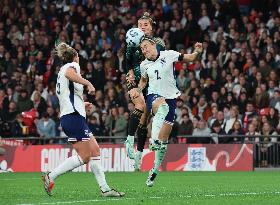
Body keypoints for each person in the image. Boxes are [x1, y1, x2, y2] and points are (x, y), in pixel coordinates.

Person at [42, 43, 124, 197]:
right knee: (85, 156)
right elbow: (70, 74)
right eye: (78, 57)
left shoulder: (62, 71)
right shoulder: (71, 66)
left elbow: (67, 94)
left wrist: (81, 103)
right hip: (72, 118)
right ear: (75, 57)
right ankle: (50, 176)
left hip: (72, 116)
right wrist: (88, 83)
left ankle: (105, 189)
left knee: (95, 150)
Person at [130, 36, 202, 186]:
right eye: (142, 49)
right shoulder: (144, 65)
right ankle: (153, 139)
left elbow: (190, 58)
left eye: (145, 47)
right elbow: (143, 80)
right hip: (154, 96)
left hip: (171, 98)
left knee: (163, 142)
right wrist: (138, 89)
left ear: (153, 44)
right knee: (161, 107)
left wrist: (197, 52)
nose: (144, 50)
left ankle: (154, 171)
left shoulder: (168, 55)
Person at [124, 12, 165, 170]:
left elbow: (159, 60)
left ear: (151, 27)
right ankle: (128, 141)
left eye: (145, 25)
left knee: (144, 120)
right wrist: (130, 73)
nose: (142, 28)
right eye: (140, 25)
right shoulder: (131, 43)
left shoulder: (158, 43)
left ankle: (138, 159)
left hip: (152, 82)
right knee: (139, 106)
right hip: (136, 81)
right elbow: (126, 64)